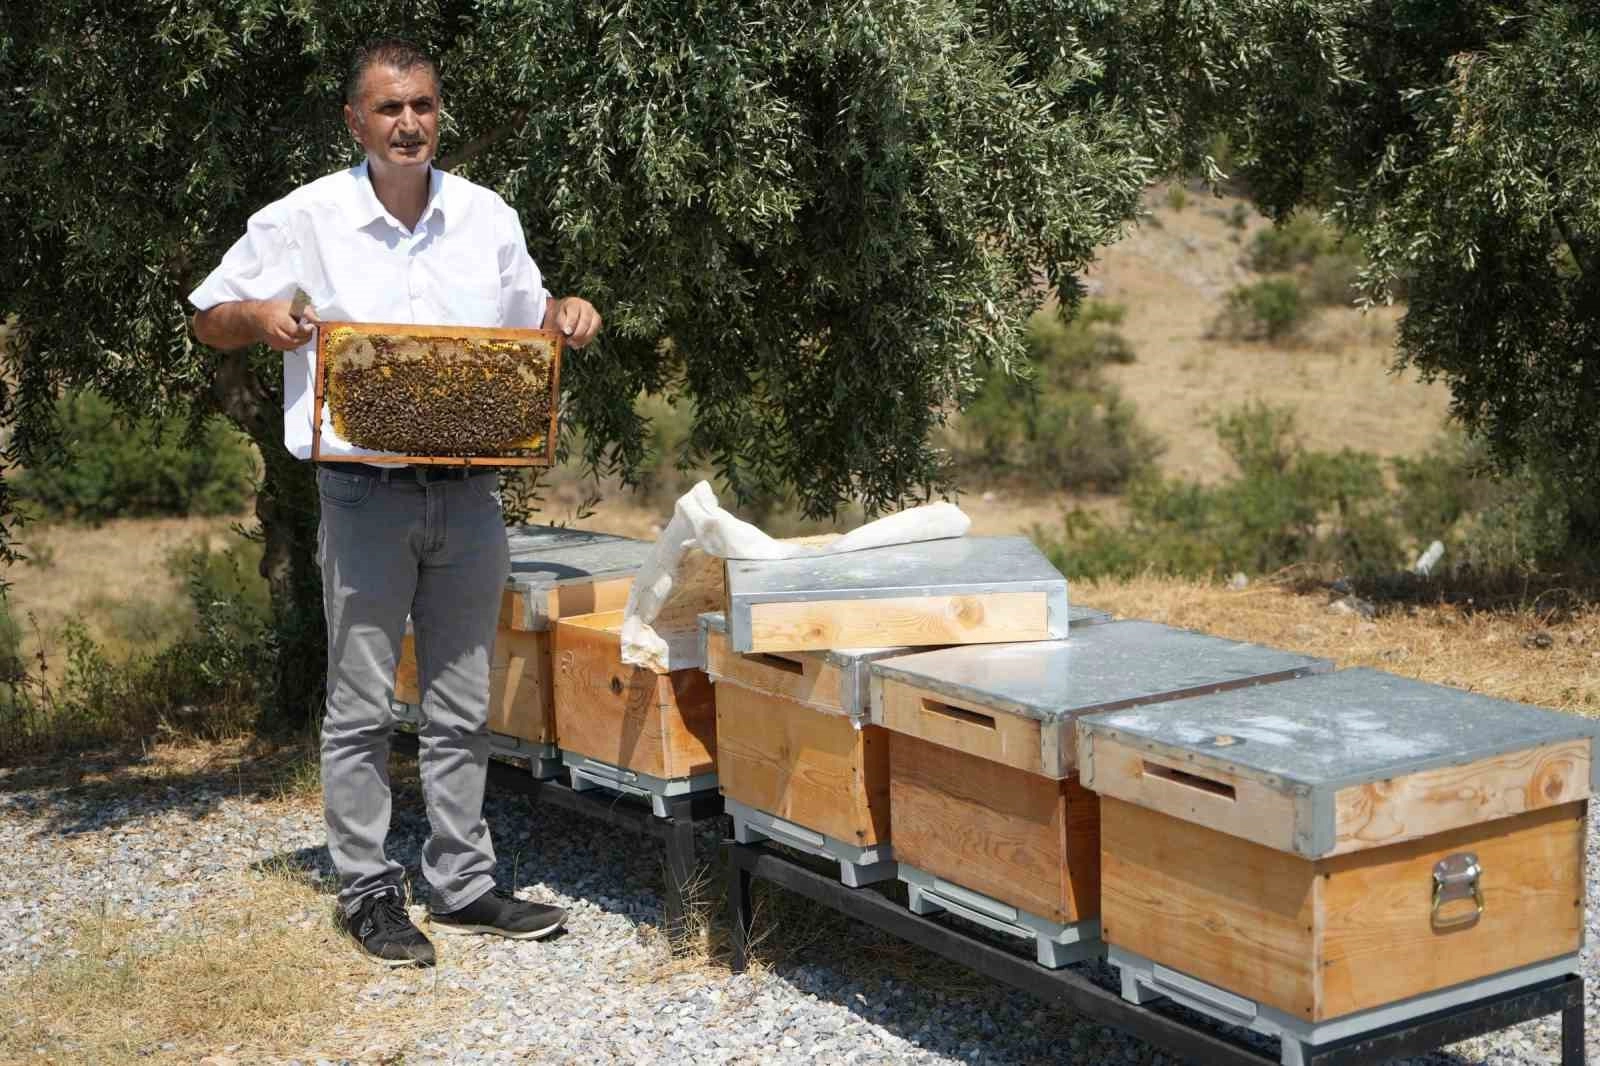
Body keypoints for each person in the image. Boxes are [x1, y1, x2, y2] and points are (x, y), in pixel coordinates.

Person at [190, 38, 601, 968]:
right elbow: (209, 315)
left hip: (471, 492)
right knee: (362, 704)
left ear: (438, 112)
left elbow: (533, 325)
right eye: (389, 109)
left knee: (461, 701)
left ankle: (462, 885)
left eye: (422, 105)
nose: (408, 123)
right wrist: (260, 318)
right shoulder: (305, 218)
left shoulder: (487, 216)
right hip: (362, 494)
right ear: (355, 122)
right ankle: (368, 891)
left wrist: (571, 313)